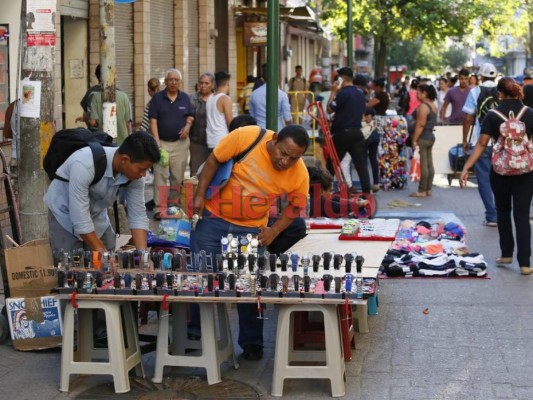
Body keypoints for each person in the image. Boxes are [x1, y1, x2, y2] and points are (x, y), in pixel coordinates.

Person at [190, 124, 310, 360]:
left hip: (250, 230)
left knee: (247, 286)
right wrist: (200, 196)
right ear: (275, 140)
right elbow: (214, 160)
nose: (286, 161)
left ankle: (252, 344)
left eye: (293, 158)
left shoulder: (300, 173)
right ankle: (192, 334)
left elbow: (295, 207)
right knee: (200, 279)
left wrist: (274, 232)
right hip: (213, 219)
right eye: (283, 153)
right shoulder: (247, 137)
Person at [460, 77, 533, 275]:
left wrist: (467, 167)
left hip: (500, 171)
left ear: (499, 94)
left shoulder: (492, 115)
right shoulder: (529, 113)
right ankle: (525, 263)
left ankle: (507, 254)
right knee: (522, 215)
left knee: (502, 211)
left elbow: (482, 144)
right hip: (526, 172)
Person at [44, 131, 160, 252]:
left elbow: (138, 216)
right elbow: (80, 219)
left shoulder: (136, 177)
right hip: (64, 214)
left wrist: (143, 256)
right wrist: (102, 253)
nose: (144, 175)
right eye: (141, 169)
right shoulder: (84, 165)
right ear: (125, 159)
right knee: (70, 261)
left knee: (108, 251)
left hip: (95, 214)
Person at [148, 68, 194, 220]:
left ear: (180, 82)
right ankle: (159, 208)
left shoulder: (186, 98)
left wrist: (187, 127)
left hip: (180, 145)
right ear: (165, 82)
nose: (173, 82)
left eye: (176, 80)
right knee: (160, 175)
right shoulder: (157, 99)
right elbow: (153, 120)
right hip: (162, 144)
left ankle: (173, 205)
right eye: (170, 80)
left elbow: (190, 117)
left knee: (177, 177)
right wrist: (156, 141)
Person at [462, 62, 498, 227]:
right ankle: (501, 213)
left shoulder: (475, 91)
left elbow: (469, 118)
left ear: (481, 77)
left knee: (483, 179)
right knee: (500, 179)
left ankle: (491, 216)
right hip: (501, 143)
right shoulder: (502, 90)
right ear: (495, 76)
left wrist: (465, 139)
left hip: (481, 142)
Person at [326, 67, 371, 194]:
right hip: (357, 132)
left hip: (342, 133)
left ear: (341, 79)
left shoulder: (342, 93)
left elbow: (329, 109)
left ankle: (324, 190)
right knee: (361, 166)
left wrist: (333, 92)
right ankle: (367, 193)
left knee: (332, 164)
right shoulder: (360, 93)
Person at [409, 84, 438, 198]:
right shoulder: (433, 106)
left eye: (419, 92)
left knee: (424, 165)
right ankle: (428, 189)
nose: (417, 95)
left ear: (424, 93)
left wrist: (414, 140)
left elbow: (420, 125)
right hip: (430, 136)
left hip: (424, 137)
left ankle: (421, 190)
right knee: (430, 164)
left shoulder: (423, 107)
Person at [249, 65, 292, 131]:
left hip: (259, 131)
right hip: (277, 130)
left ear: (262, 78)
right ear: (276, 77)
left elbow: (252, 117)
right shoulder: (282, 95)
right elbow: (287, 119)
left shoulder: (254, 94)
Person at [189, 72, 215, 176]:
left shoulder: (217, 98)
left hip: (213, 142)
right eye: (201, 83)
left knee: (211, 173)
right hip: (196, 141)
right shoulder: (191, 98)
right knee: (195, 173)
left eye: (206, 83)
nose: (203, 86)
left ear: (212, 85)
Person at [206, 71, 233, 150]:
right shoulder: (225, 99)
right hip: (222, 140)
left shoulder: (210, 97)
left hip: (211, 140)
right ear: (227, 83)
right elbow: (230, 123)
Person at [362, 107, 380, 193]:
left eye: (369, 116)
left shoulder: (362, 123)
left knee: (364, 161)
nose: (368, 118)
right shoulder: (374, 123)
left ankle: (367, 185)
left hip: (366, 140)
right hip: (375, 138)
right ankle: (376, 183)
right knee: (373, 159)